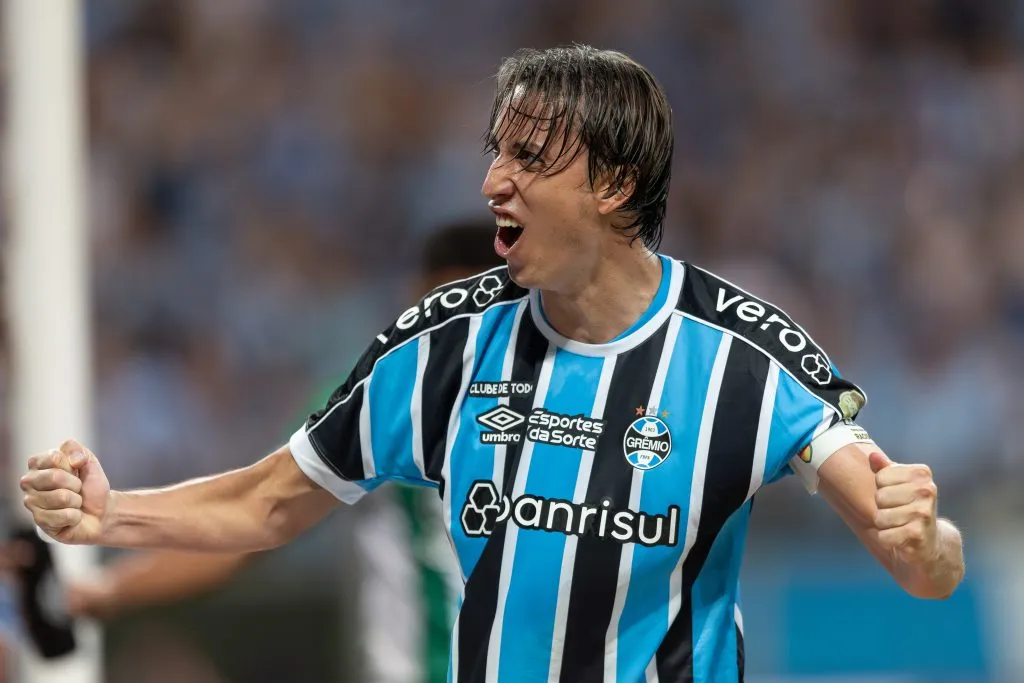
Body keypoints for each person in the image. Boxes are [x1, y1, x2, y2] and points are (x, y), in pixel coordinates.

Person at [21, 45, 965, 682]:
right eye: (493, 152)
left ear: (612, 184)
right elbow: (266, 501)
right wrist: (112, 512)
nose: (490, 183)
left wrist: (923, 539)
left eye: (527, 157)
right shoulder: (438, 350)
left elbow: (926, 567)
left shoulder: (747, 361)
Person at [62, 222, 502, 683]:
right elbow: (259, 511)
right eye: (442, 307)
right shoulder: (384, 396)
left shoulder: (401, 394)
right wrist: (105, 589)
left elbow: (255, 518)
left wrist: (103, 591)